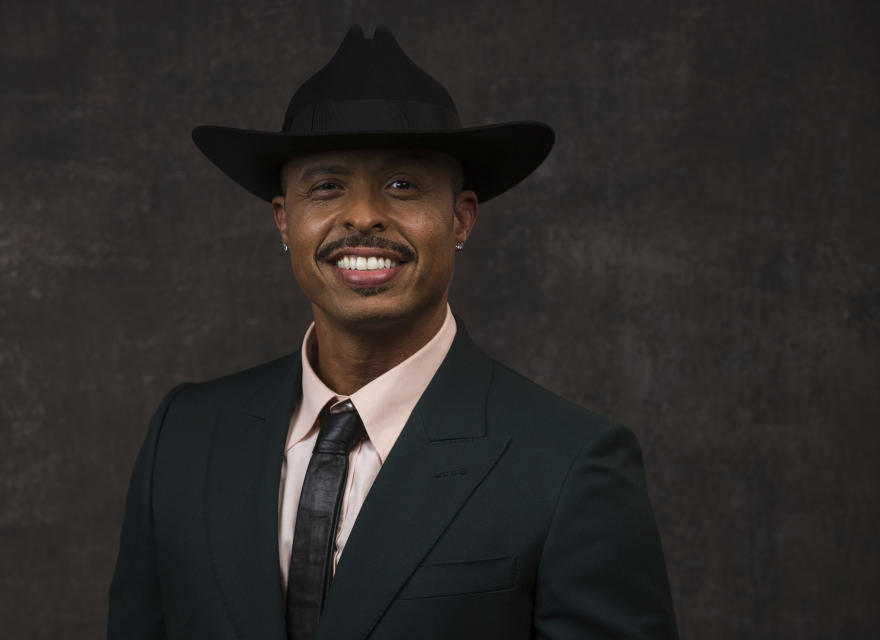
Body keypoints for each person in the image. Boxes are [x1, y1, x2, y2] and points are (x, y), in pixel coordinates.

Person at [107, 24, 679, 640]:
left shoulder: (570, 465)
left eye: (403, 185)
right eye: (327, 186)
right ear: (285, 221)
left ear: (460, 218)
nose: (363, 216)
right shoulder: (185, 439)